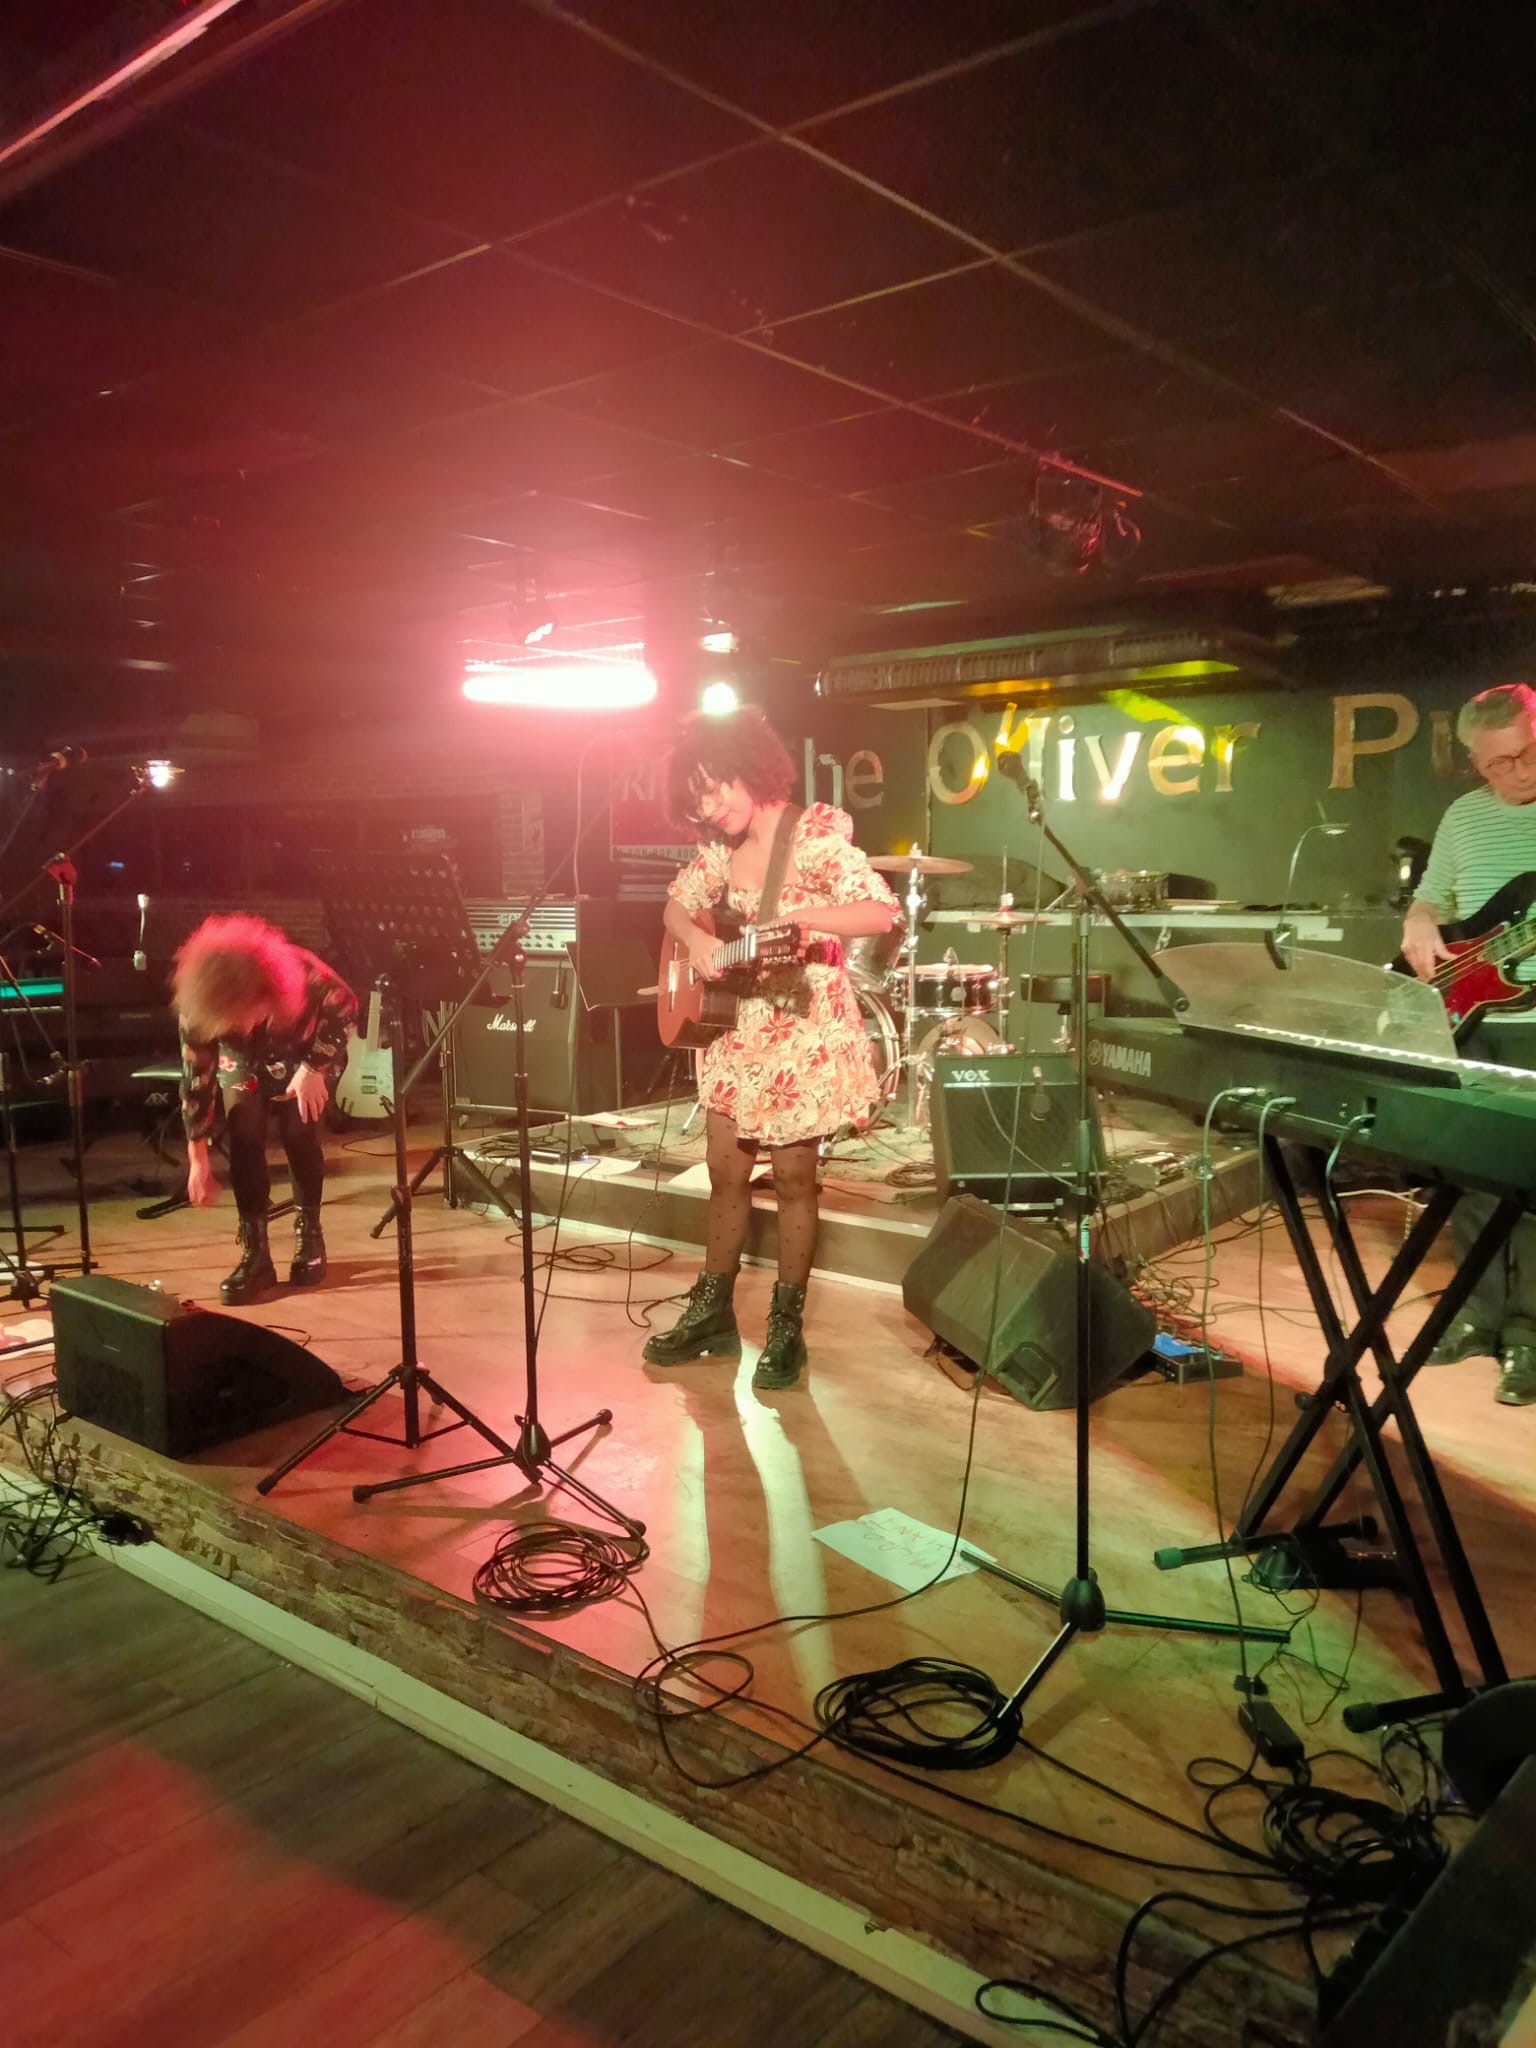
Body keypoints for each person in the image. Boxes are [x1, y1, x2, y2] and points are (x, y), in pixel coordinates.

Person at [643, 709, 898, 1390]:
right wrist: (696, 941)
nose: (709, 806)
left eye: (714, 787)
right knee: (724, 1174)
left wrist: (805, 916)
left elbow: (879, 910)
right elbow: (675, 905)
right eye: (694, 797)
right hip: (736, 1031)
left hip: (800, 1034)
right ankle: (712, 1313)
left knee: (792, 1181)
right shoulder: (717, 852)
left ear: (746, 767)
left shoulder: (811, 834)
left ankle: (787, 1328)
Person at [1401, 681, 1536, 1405]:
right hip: (1474, 1020)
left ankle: (1530, 1336)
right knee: (1474, 1178)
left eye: (1525, 755)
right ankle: (1478, 1319)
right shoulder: (1464, 817)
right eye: (1494, 766)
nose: (1514, 774)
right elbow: (1436, 896)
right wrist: (1420, 920)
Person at [172, 914, 358, 1307]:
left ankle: (309, 1233)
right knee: (244, 1132)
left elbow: (347, 1007)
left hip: (307, 1053)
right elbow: (196, 1081)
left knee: (298, 1129)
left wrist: (315, 1068)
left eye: (247, 1013)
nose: (243, 1023)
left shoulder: (304, 974)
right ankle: (256, 1255)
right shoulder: (200, 1009)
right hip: (244, 1063)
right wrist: (198, 1161)